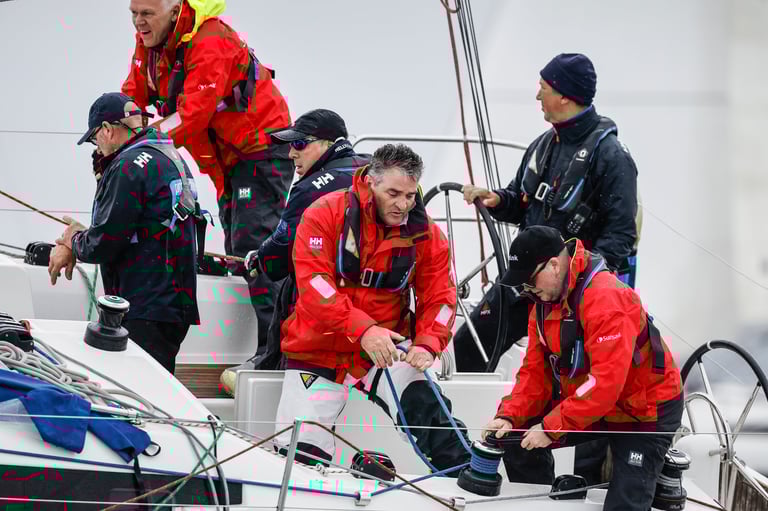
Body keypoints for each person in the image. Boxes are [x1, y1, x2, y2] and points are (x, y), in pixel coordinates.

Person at [273, 144, 470, 470]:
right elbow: (315, 287)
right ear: (371, 182)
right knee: (300, 455)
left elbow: (442, 299)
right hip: (318, 348)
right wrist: (363, 329)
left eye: (409, 195)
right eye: (394, 193)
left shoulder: (427, 235)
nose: (402, 204)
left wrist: (428, 343)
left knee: (430, 410)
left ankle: (468, 480)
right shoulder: (324, 213)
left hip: (386, 347)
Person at [121, 0, 294, 356]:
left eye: (147, 13)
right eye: (134, 13)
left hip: (259, 150)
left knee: (254, 247)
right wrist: (115, 133)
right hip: (229, 158)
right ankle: (262, 343)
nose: (139, 22)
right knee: (238, 245)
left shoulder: (210, 39)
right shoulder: (151, 42)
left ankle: (278, 353)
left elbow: (193, 114)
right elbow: (132, 97)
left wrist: (142, 144)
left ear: (173, 9)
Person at [481, 225, 683, 511]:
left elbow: (604, 385)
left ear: (553, 265)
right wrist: (510, 417)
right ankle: (542, 504)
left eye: (529, 281)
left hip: (644, 413)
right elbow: (534, 373)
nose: (527, 290)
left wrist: (550, 428)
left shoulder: (607, 300)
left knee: (624, 505)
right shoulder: (542, 301)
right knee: (515, 441)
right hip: (591, 404)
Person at [219, 109, 371, 394]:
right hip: (380, 322)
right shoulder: (382, 174)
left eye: (300, 144)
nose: (291, 153)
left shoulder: (309, 188)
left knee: (289, 283)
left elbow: (280, 254)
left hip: (326, 327)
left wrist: (258, 257)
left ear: (329, 143)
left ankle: (269, 362)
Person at [48, 92, 200, 374]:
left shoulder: (128, 165)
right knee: (160, 384)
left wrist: (72, 241)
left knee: (146, 394)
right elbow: (137, 223)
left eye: (95, 139)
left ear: (106, 130)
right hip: (174, 304)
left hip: (144, 304)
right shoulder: (169, 156)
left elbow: (106, 242)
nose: (97, 148)